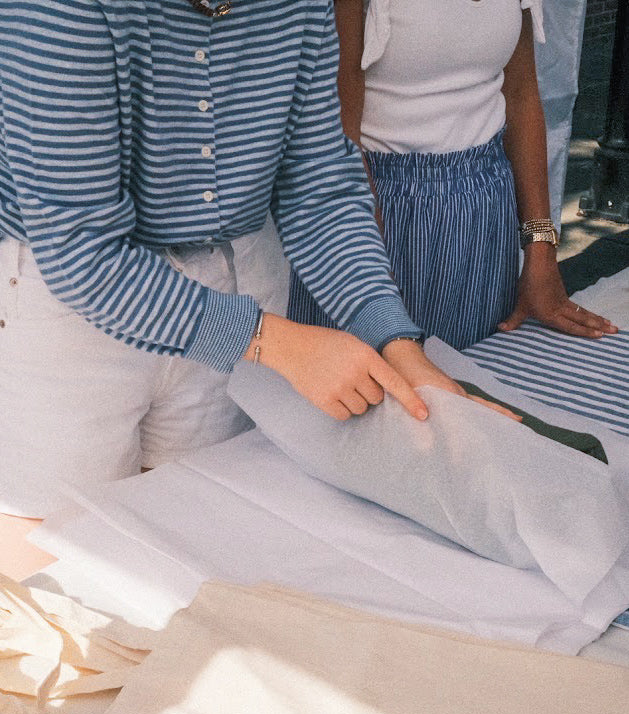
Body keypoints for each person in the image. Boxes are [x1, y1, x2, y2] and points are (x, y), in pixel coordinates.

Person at [0, 0, 517, 527]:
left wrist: (397, 345)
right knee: (55, 545)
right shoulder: (58, 11)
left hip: (235, 278)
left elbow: (319, 189)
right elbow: (83, 252)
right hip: (71, 310)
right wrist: (275, 343)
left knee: (197, 529)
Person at [289, 0, 618, 350]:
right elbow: (336, 127)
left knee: (475, 374)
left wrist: (540, 248)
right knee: (376, 375)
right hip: (378, 213)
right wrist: (363, 265)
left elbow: (521, 93)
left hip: (487, 218)